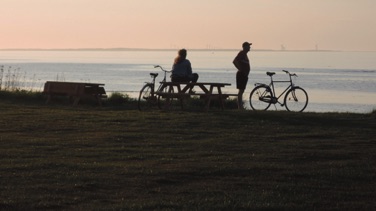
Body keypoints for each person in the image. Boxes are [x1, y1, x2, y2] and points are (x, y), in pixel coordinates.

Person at [233, 42, 252, 109]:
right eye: (248, 46)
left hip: (244, 75)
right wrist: (240, 69)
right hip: (241, 74)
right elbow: (235, 61)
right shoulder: (242, 53)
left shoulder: (245, 54)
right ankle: (240, 107)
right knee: (241, 91)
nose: (249, 47)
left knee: (242, 90)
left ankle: (240, 106)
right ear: (244, 47)